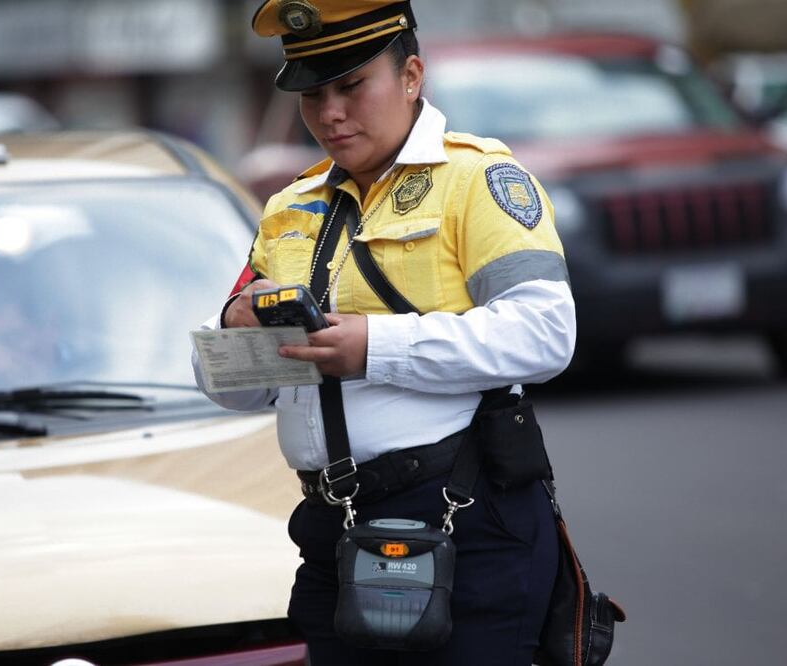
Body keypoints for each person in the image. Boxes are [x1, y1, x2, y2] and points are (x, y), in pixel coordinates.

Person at [191, 1, 576, 663]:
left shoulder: (477, 180)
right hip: (332, 529)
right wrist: (232, 327)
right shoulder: (290, 209)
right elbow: (234, 390)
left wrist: (375, 348)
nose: (330, 113)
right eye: (312, 94)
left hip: (463, 518)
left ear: (410, 76)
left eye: (350, 86)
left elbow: (546, 333)